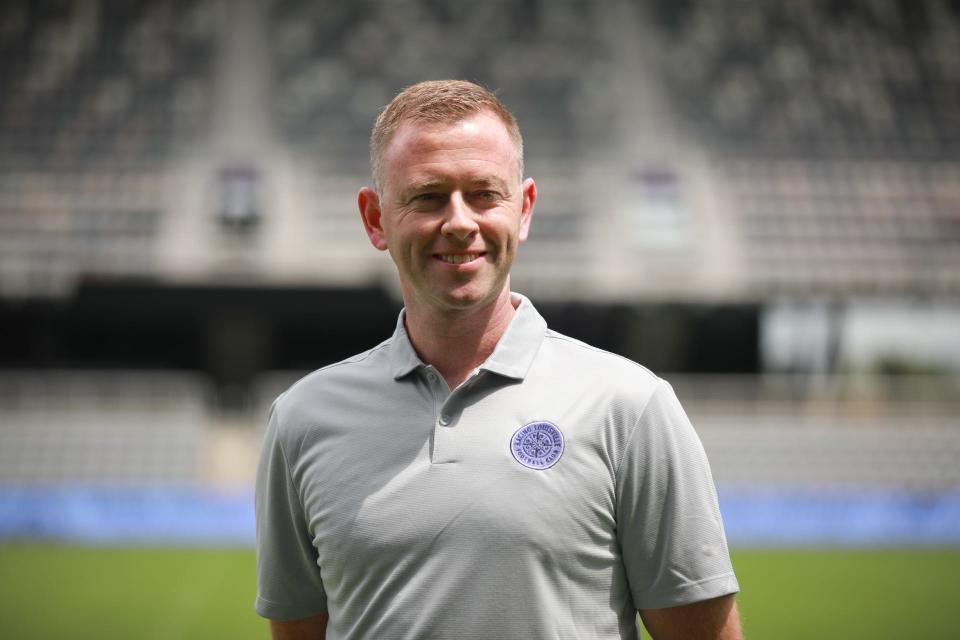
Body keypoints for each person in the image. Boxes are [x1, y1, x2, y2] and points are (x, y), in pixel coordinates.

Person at [255, 80, 742, 640]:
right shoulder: (302, 419)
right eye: (428, 196)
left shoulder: (631, 407)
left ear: (525, 209)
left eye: (485, 194)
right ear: (374, 218)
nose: (460, 222)